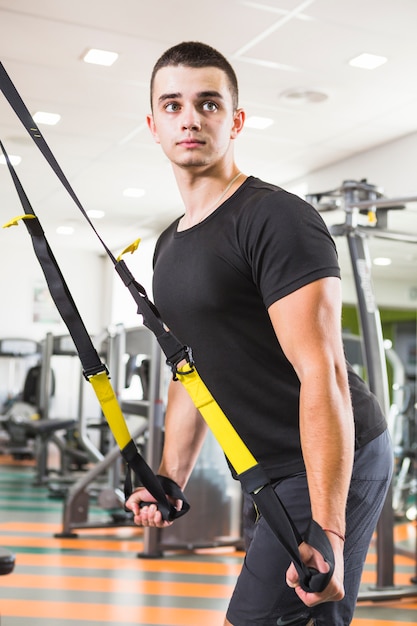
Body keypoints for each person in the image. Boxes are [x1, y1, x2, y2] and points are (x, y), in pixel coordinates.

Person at [125, 41, 393, 626]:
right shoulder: (169, 246)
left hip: (327, 459)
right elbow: (189, 374)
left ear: (236, 120)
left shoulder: (276, 218)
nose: (189, 118)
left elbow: (321, 374)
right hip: (266, 468)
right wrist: (170, 478)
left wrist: (328, 527)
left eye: (208, 104)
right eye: (172, 105)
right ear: (153, 124)